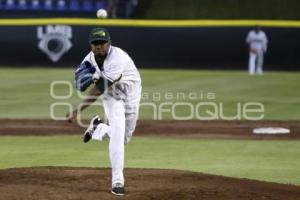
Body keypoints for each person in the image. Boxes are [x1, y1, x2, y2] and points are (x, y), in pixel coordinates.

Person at [66, 27, 142, 196]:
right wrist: (80, 77)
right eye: (95, 43)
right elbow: (80, 79)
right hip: (111, 98)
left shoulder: (118, 58)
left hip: (131, 95)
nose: (98, 46)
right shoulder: (89, 59)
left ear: (109, 43)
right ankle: (117, 181)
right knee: (117, 133)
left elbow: (99, 88)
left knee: (125, 137)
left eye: (102, 43)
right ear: (90, 45)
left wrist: (77, 110)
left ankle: (99, 128)